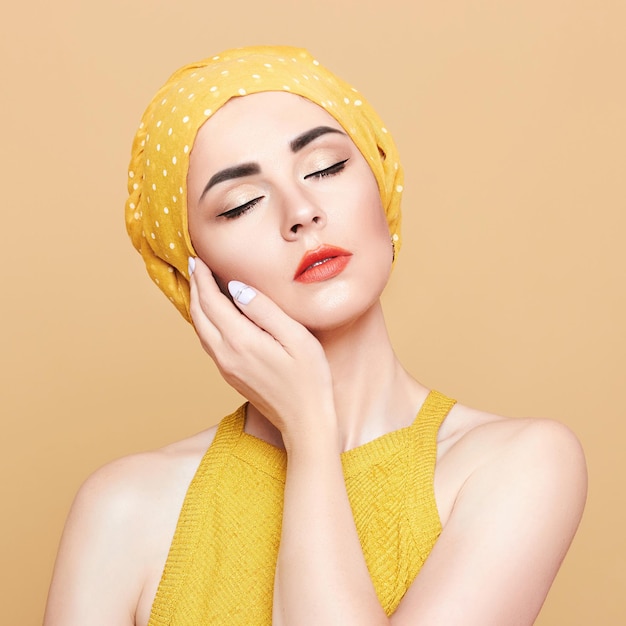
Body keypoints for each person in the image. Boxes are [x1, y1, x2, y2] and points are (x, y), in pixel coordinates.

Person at [43, 46, 587, 626]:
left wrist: (309, 431)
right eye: (241, 204)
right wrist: (306, 423)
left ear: (381, 183)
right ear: (191, 269)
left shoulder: (517, 465)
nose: (301, 211)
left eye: (326, 167)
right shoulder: (122, 510)